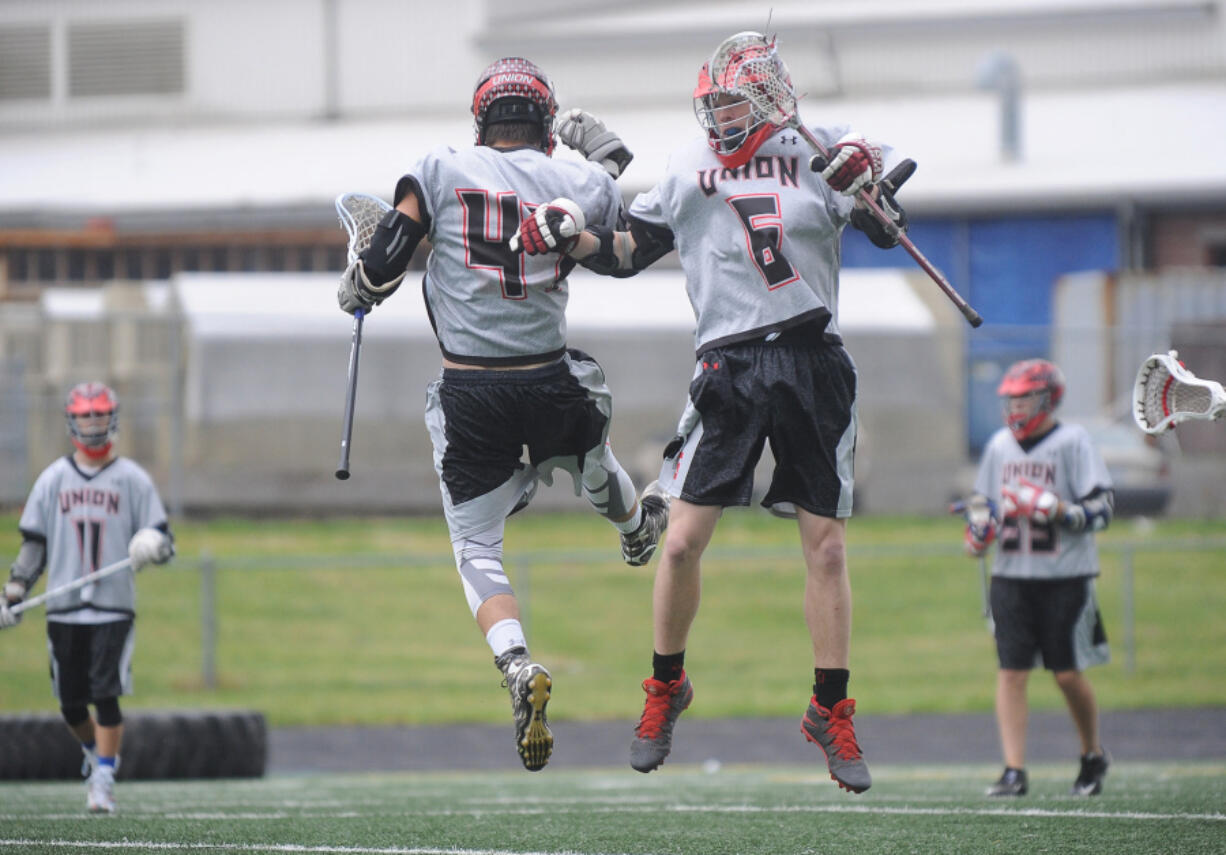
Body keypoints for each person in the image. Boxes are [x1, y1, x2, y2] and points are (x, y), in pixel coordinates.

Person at [508, 31, 913, 793]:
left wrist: (869, 185)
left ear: (766, 98)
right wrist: (573, 237)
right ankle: (665, 688)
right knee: (684, 542)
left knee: (826, 548)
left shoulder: (818, 152)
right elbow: (627, 250)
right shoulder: (690, 168)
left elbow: (886, 223)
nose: (719, 116)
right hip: (728, 364)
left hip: (811, 356)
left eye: (731, 100)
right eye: (713, 103)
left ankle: (831, 706)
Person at [335, 57, 670, 772]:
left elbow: (390, 258)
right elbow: (617, 201)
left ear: (481, 120)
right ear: (547, 123)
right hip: (549, 376)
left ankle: (515, 661)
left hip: (473, 392)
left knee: (478, 549)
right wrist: (597, 141)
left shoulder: (441, 168)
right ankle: (634, 526)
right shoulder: (574, 178)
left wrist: (359, 284)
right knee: (589, 454)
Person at [0, 382, 175, 813]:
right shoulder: (53, 480)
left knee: (105, 692)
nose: (93, 424)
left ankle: (104, 777)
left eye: (99, 415)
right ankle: (96, 754)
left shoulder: (132, 479)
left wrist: (152, 544)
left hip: (113, 606)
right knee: (71, 701)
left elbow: (165, 540)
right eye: (85, 416)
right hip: (63, 608)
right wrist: (14, 590)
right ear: (71, 420)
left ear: (113, 419)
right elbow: (34, 545)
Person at [960, 358, 1114, 797]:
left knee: (1066, 674)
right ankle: (1013, 770)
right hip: (1011, 576)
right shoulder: (998, 446)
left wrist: (1059, 510)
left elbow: (1103, 510)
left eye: (1025, 396)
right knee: (1011, 672)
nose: (1016, 407)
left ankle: (1091, 754)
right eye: (1011, 398)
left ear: (1048, 398)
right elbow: (981, 504)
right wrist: (977, 532)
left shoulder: (1073, 442)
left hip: (1065, 574)